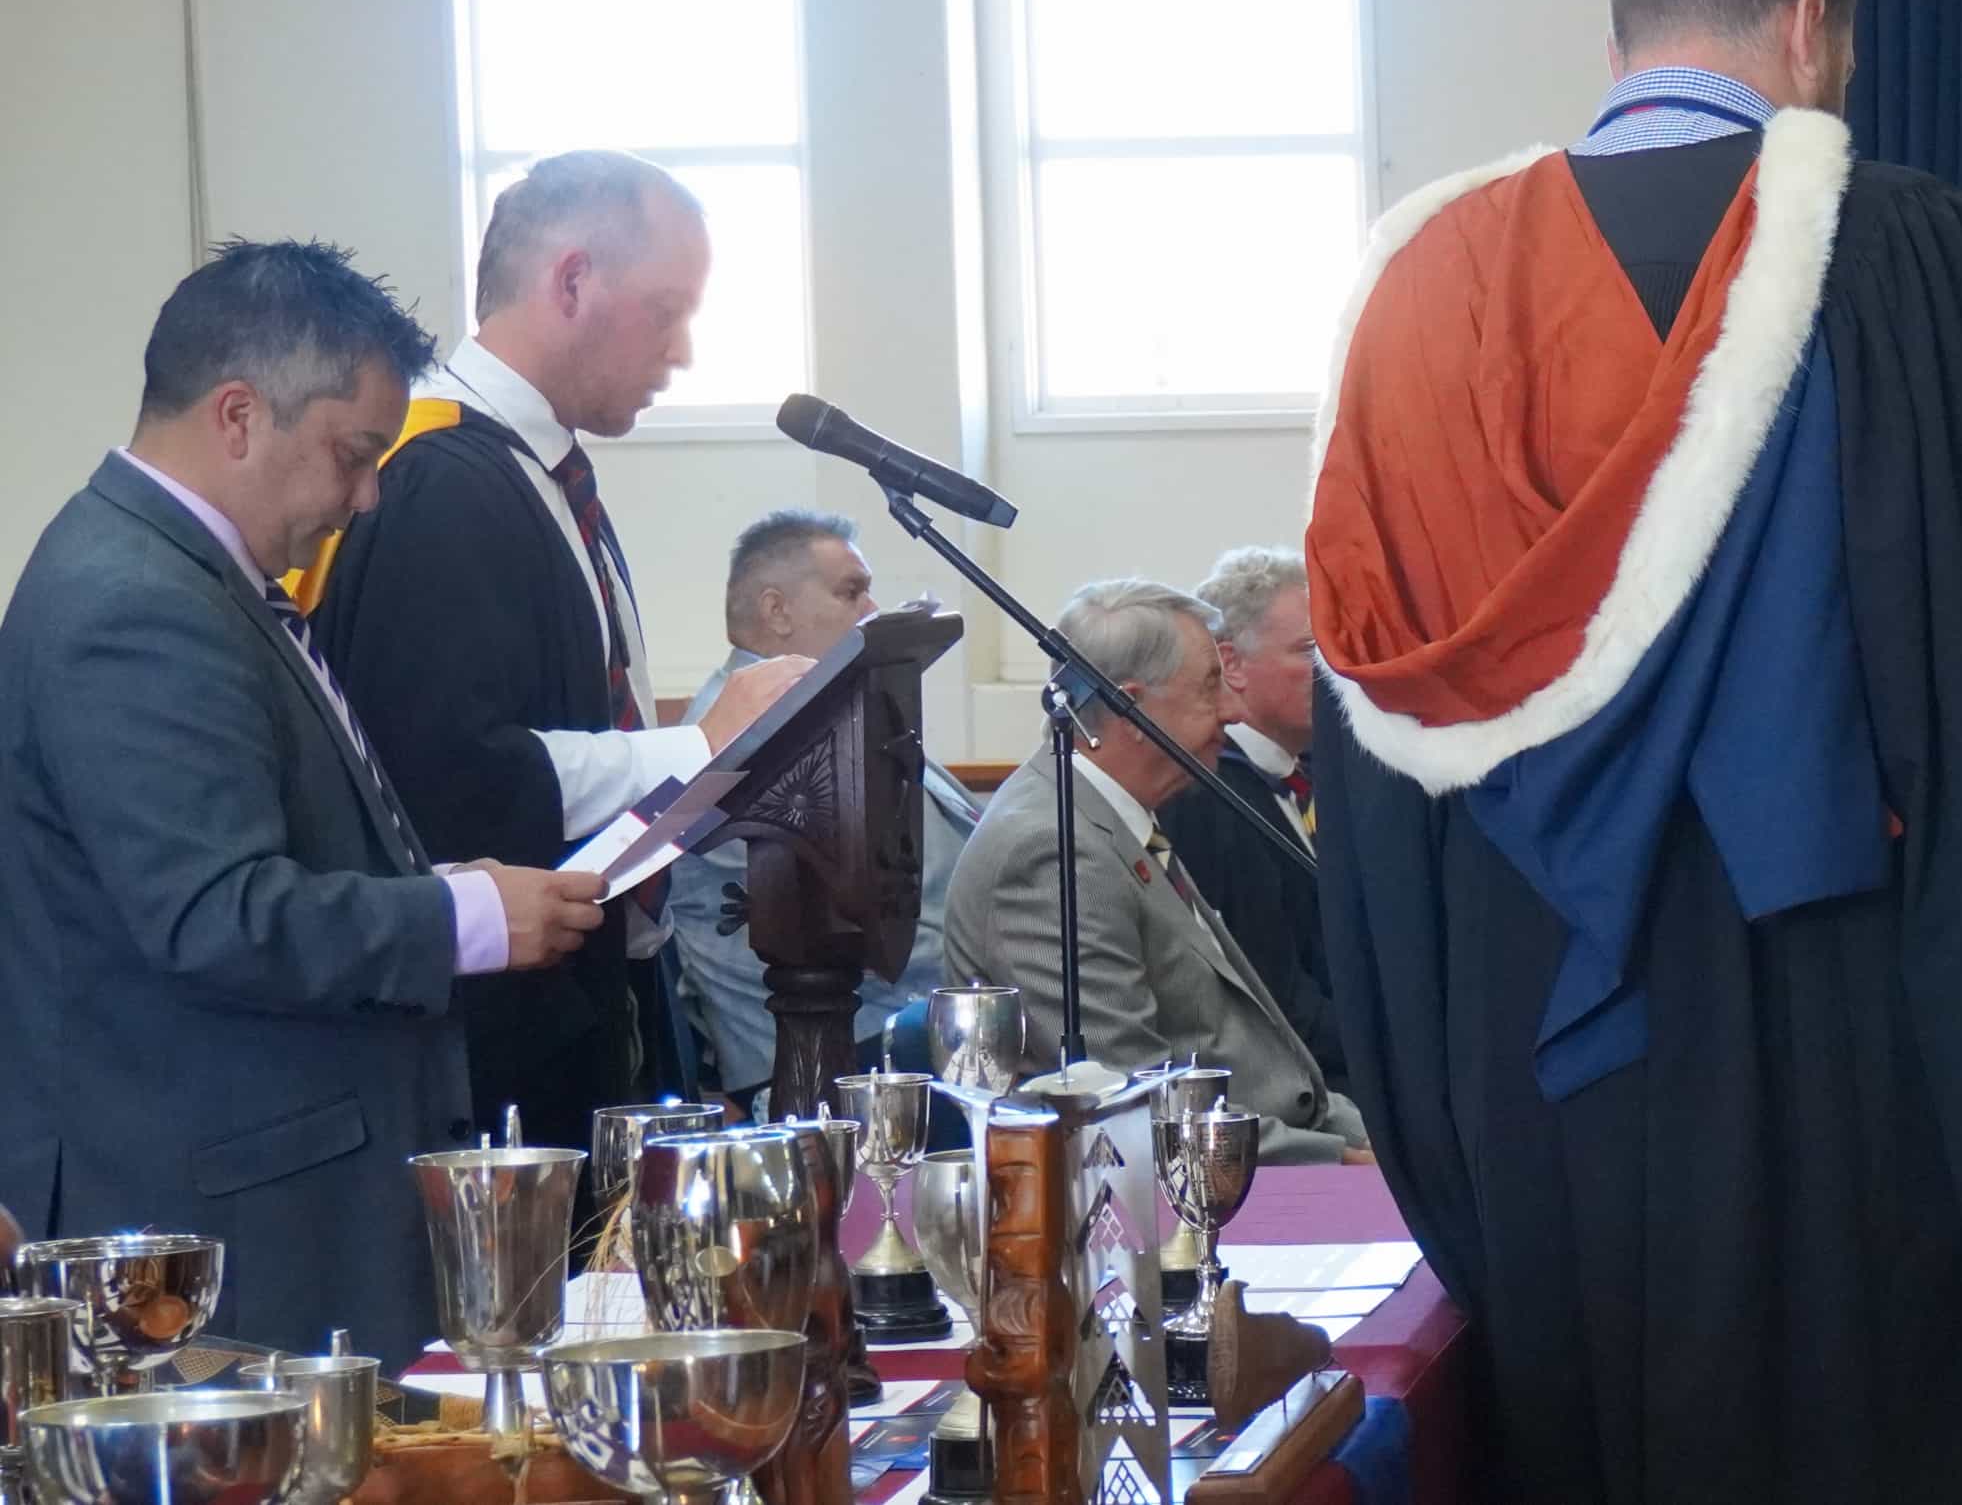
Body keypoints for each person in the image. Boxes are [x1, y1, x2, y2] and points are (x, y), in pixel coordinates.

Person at [1304, 0, 1962, 1504]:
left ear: (1622, 33)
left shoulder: (1420, 292)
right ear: (1807, 23)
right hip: (1832, 1022)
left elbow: (1368, 725)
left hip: (1529, 1025)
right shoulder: (1910, 257)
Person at [0, 241, 602, 1360]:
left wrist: (442, 884)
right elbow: (213, 913)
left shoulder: (188, 575)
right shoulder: (131, 602)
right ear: (238, 416)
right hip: (210, 1224)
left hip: (258, 1190)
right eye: (351, 455)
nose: (366, 498)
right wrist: (463, 918)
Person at [305, 152, 810, 1155]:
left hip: (596, 993)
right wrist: (696, 748)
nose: (681, 352)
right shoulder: (434, 482)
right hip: (493, 1049)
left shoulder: (536, 471)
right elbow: (439, 776)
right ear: (572, 281)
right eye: (666, 312)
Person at [944, 580, 1369, 1166]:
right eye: (1211, 686)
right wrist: (1340, 1160)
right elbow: (1125, 1099)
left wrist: (1372, 1141)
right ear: (1132, 708)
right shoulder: (1053, 848)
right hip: (1200, 1182)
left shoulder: (1116, 816)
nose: (1234, 711)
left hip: (1265, 1141)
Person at [664, 509, 979, 1113]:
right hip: (832, 1042)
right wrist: (999, 969)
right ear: (777, 611)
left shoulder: (831, 708)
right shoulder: (742, 736)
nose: (870, 610)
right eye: (850, 592)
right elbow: (850, 924)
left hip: (901, 1011)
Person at [1157, 546, 1342, 1089]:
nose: (1335, 671)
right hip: (1292, 1083)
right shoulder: (1205, 794)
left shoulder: (1316, 775)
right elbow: (1271, 999)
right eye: (1309, 649)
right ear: (1231, 665)